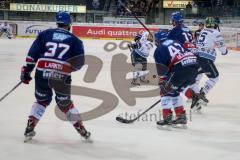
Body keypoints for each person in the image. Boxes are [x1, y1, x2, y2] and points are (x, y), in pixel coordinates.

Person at [20, 11, 91, 142]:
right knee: (65, 104)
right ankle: (81, 128)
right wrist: (64, 69)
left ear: (57, 22)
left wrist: (26, 71)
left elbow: (32, 55)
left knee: (42, 101)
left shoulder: (45, 34)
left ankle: (30, 126)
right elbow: (79, 64)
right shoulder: (75, 40)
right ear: (69, 24)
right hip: (61, 76)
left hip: (42, 72)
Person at [154, 30, 198, 127]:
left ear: (157, 41)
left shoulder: (159, 50)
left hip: (180, 69)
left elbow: (162, 72)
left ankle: (167, 118)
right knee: (174, 91)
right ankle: (181, 116)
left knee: (164, 90)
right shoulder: (176, 41)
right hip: (193, 66)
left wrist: (162, 83)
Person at [190, 17, 228, 109]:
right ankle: (202, 94)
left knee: (196, 78)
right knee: (215, 78)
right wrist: (224, 51)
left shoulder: (202, 31)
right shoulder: (216, 32)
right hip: (205, 59)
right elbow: (223, 50)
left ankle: (195, 98)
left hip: (196, 57)